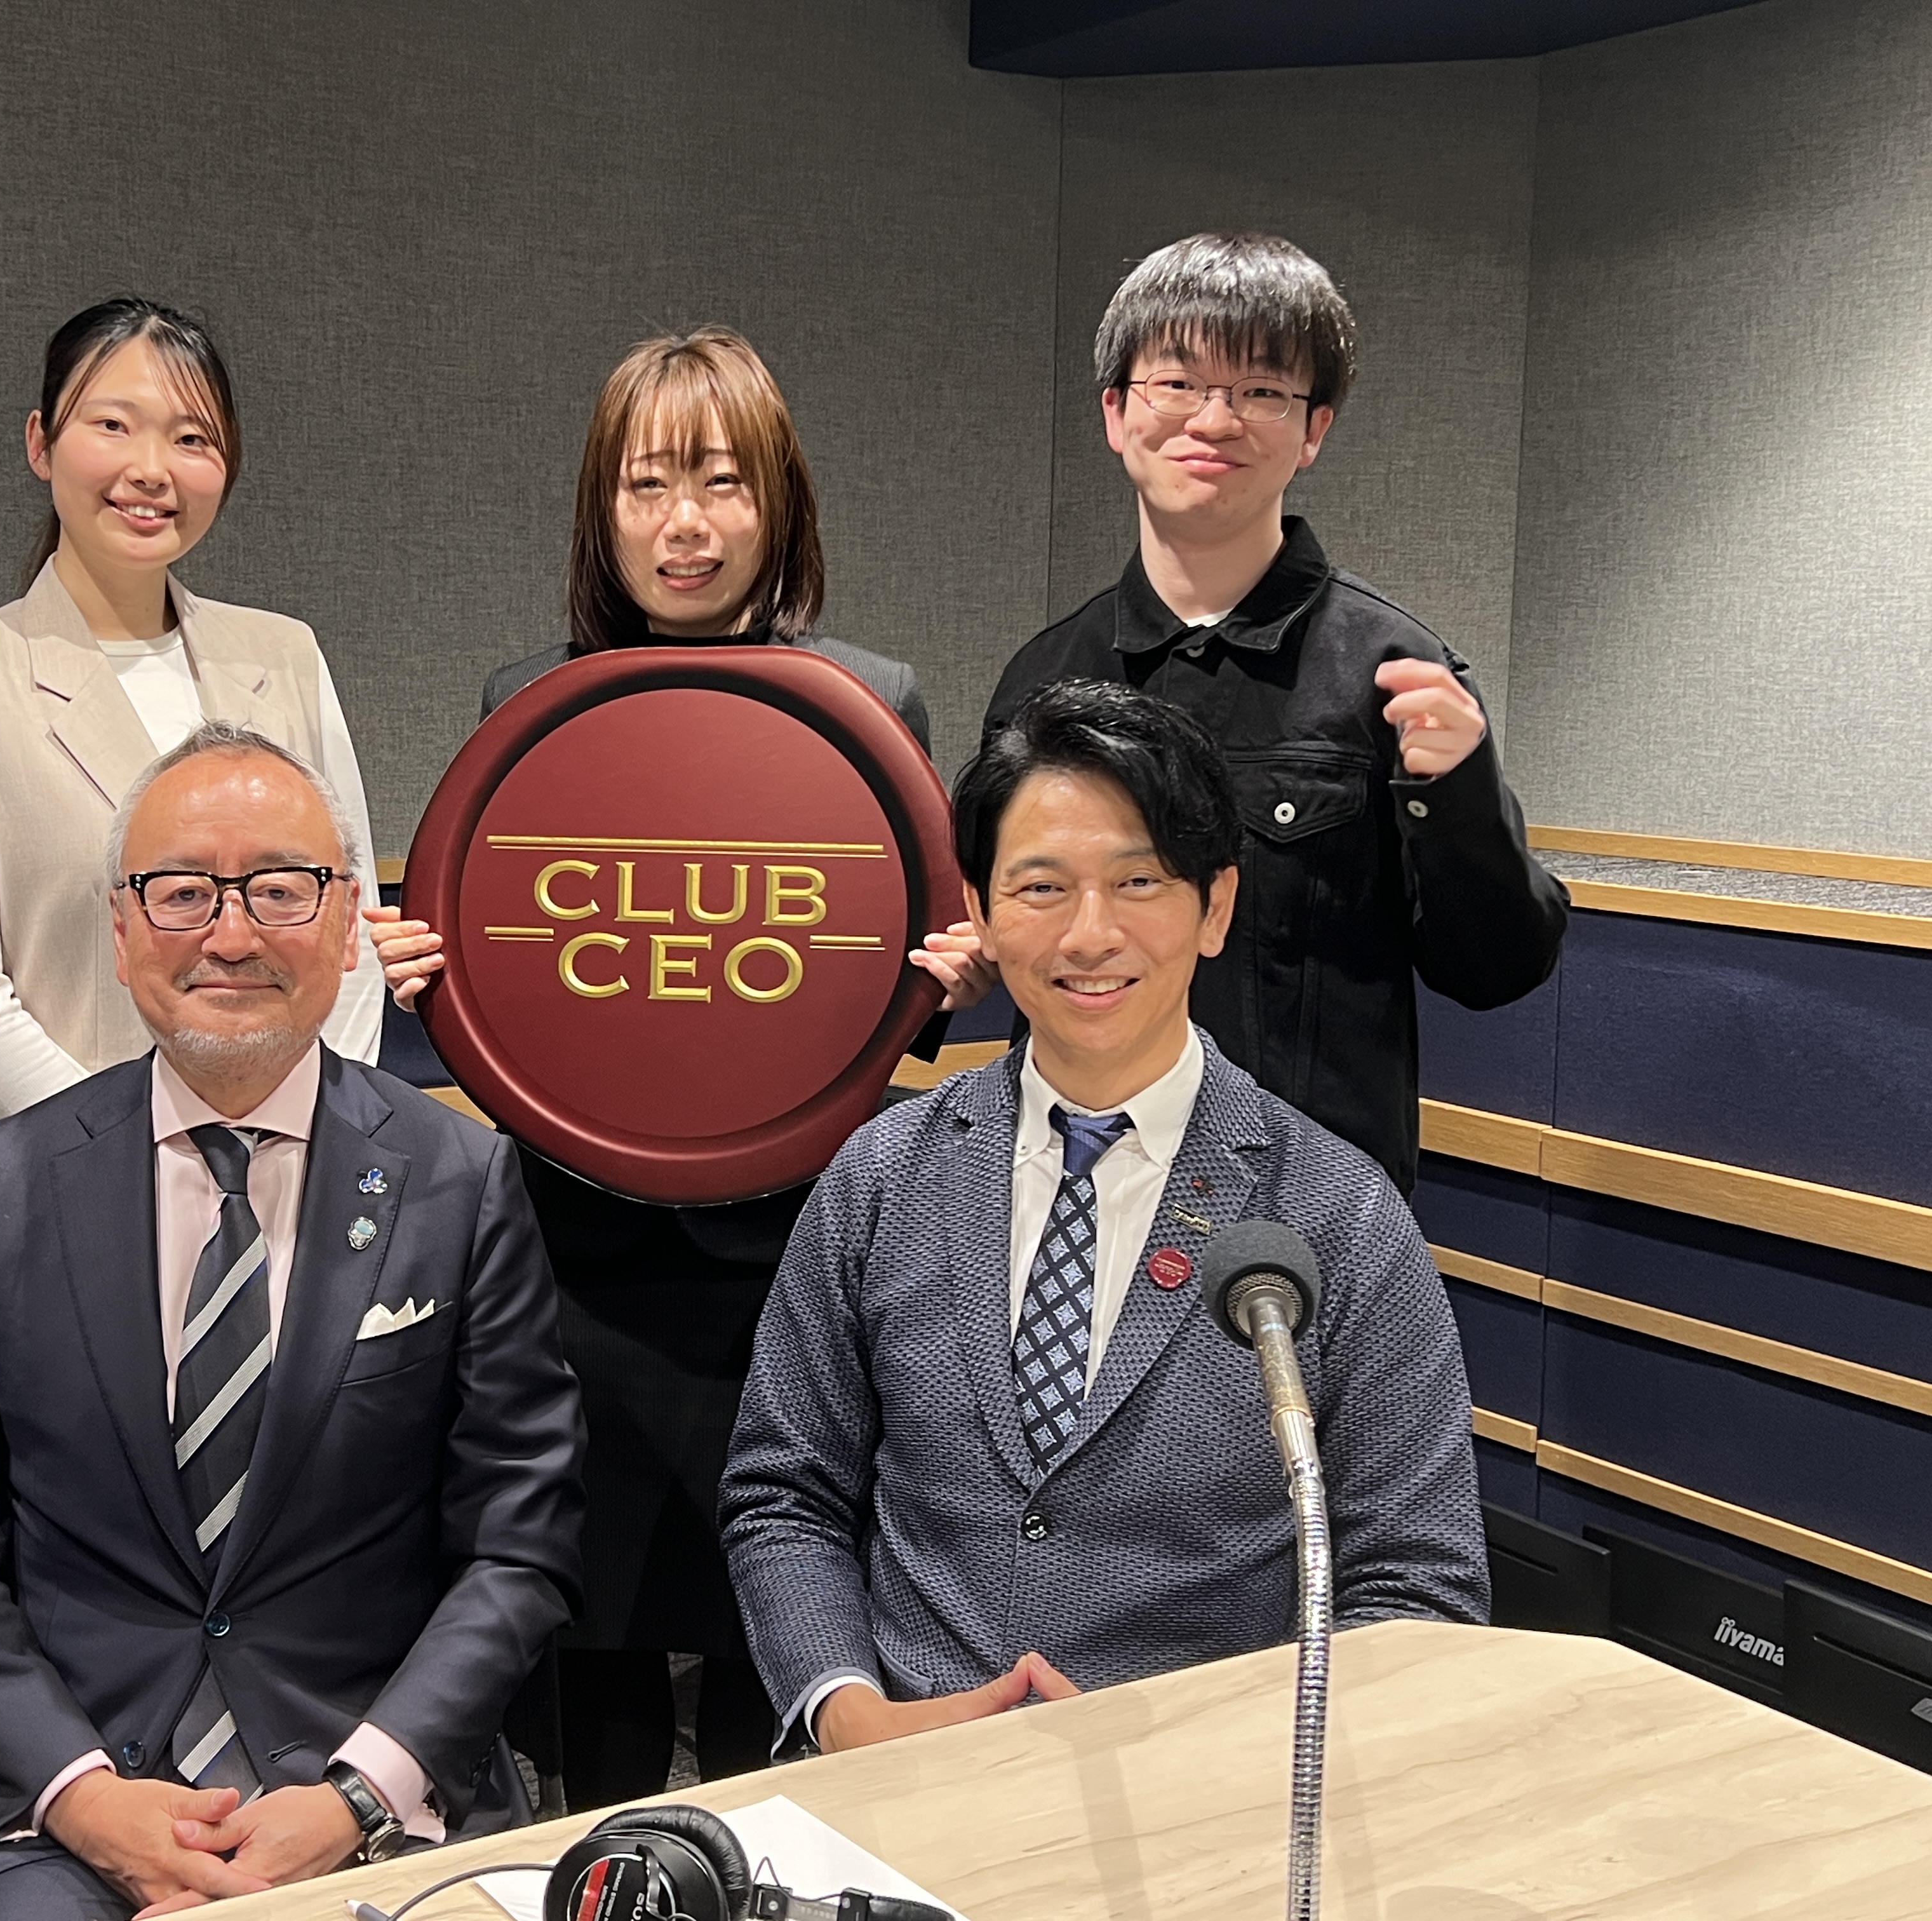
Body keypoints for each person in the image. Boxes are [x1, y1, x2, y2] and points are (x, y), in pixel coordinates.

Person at [365, 327, 991, 1808]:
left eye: (722, 483)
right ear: (604, 509)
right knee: (596, 1647)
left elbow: (877, 983)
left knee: (785, 1626)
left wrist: (947, 982)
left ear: (781, 503)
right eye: (648, 485)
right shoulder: (530, 703)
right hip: (576, 1253)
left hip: (796, 1248)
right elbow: (518, 978)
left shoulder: (871, 700)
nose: (686, 523)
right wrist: (430, 972)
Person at [0, 723, 584, 1920]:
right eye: (184, 892)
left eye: (281, 890)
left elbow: (521, 1547)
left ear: (347, 922)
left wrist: (357, 1792)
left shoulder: (461, 1182)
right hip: (67, 1802)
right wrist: (86, 1798)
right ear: (122, 928)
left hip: (369, 1787)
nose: (233, 935)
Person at [720, 678, 1487, 1757]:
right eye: (1041, 887)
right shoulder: (885, 1175)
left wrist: (1206, 1753)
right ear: (982, 909)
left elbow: (1419, 1584)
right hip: (898, 1779)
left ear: (1214, 908)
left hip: (1203, 1800)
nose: (1090, 935)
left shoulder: (1339, 1217)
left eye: (1139, 882)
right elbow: (783, 1489)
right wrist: (848, 1714)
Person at [983, 233, 1564, 1192]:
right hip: (1066, 1179)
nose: (1215, 420)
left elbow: (1496, 969)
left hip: (1309, 1209)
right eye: (1177, 383)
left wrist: (1458, 796)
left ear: (1313, 430)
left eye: (1261, 391)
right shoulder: (1043, 679)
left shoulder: (1398, 674)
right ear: (1117, 413)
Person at [0, 297, 383, 1152]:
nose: (152, 470)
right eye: (113, 425)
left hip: (292, 1160)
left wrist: (308, 1124)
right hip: (54, 1162)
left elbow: (353, 924)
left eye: (191, 438)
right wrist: (134, 1149)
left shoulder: (287, 655)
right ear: (41, 443)